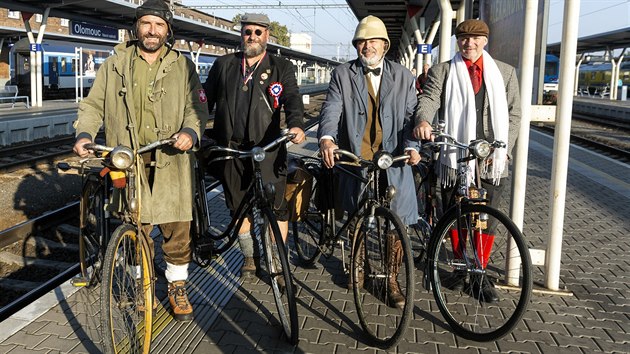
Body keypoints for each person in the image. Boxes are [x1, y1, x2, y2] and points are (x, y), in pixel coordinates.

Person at [73, 0, 209, 321]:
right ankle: (140, 284)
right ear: (136, 27)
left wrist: (190, 130)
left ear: (168, 30)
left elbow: (197, 108)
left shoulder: (183, 67)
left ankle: (177, 287)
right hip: (127, 159)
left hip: (171, 157)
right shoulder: (115, 64)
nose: (152, 30)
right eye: (146, 23)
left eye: (159, 25)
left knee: (177, 227)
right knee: (134, 225)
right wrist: (85, 134)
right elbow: (93, 106)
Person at [413, 19, 521, 303]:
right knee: (454, 211)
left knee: (487, 216)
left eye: (475, 39)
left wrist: (504, 148)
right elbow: (428, 99)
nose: (468, 44)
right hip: (454, 154)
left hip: (491, 155)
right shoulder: (443, 71)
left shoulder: (505, 73)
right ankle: (461, 269)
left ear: (485, 41)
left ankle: (481, 273)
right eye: (463, 38)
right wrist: (424, 120)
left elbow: (514, 114)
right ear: (457, 41)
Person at [318, 15, 420, 308]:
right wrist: (326, 138)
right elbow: (332, 107)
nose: (367, 46)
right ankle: (357, 268)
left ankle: (391, 279)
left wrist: (413, 146)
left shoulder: (403, 76)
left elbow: (412, 116)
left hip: (394, 160)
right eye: (361, 41)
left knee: (396, 221)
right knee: (357, 215)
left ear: (385, 45)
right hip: (357, 158)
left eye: (373, 40)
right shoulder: (342, 74)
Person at [202, 13, 306, 280]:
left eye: (258, 32)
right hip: (232, 149)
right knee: (238, 207)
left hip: (268, 149)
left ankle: (275, 258)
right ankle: (250, 256)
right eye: (248, 32)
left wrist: (296, 124)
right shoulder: (224, 64)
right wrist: (193, 128)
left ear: (267, 36)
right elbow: (205, 102)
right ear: (241, 34)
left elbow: (292, 97)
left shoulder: (280, 66)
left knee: (277, 206)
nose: (252, 37)